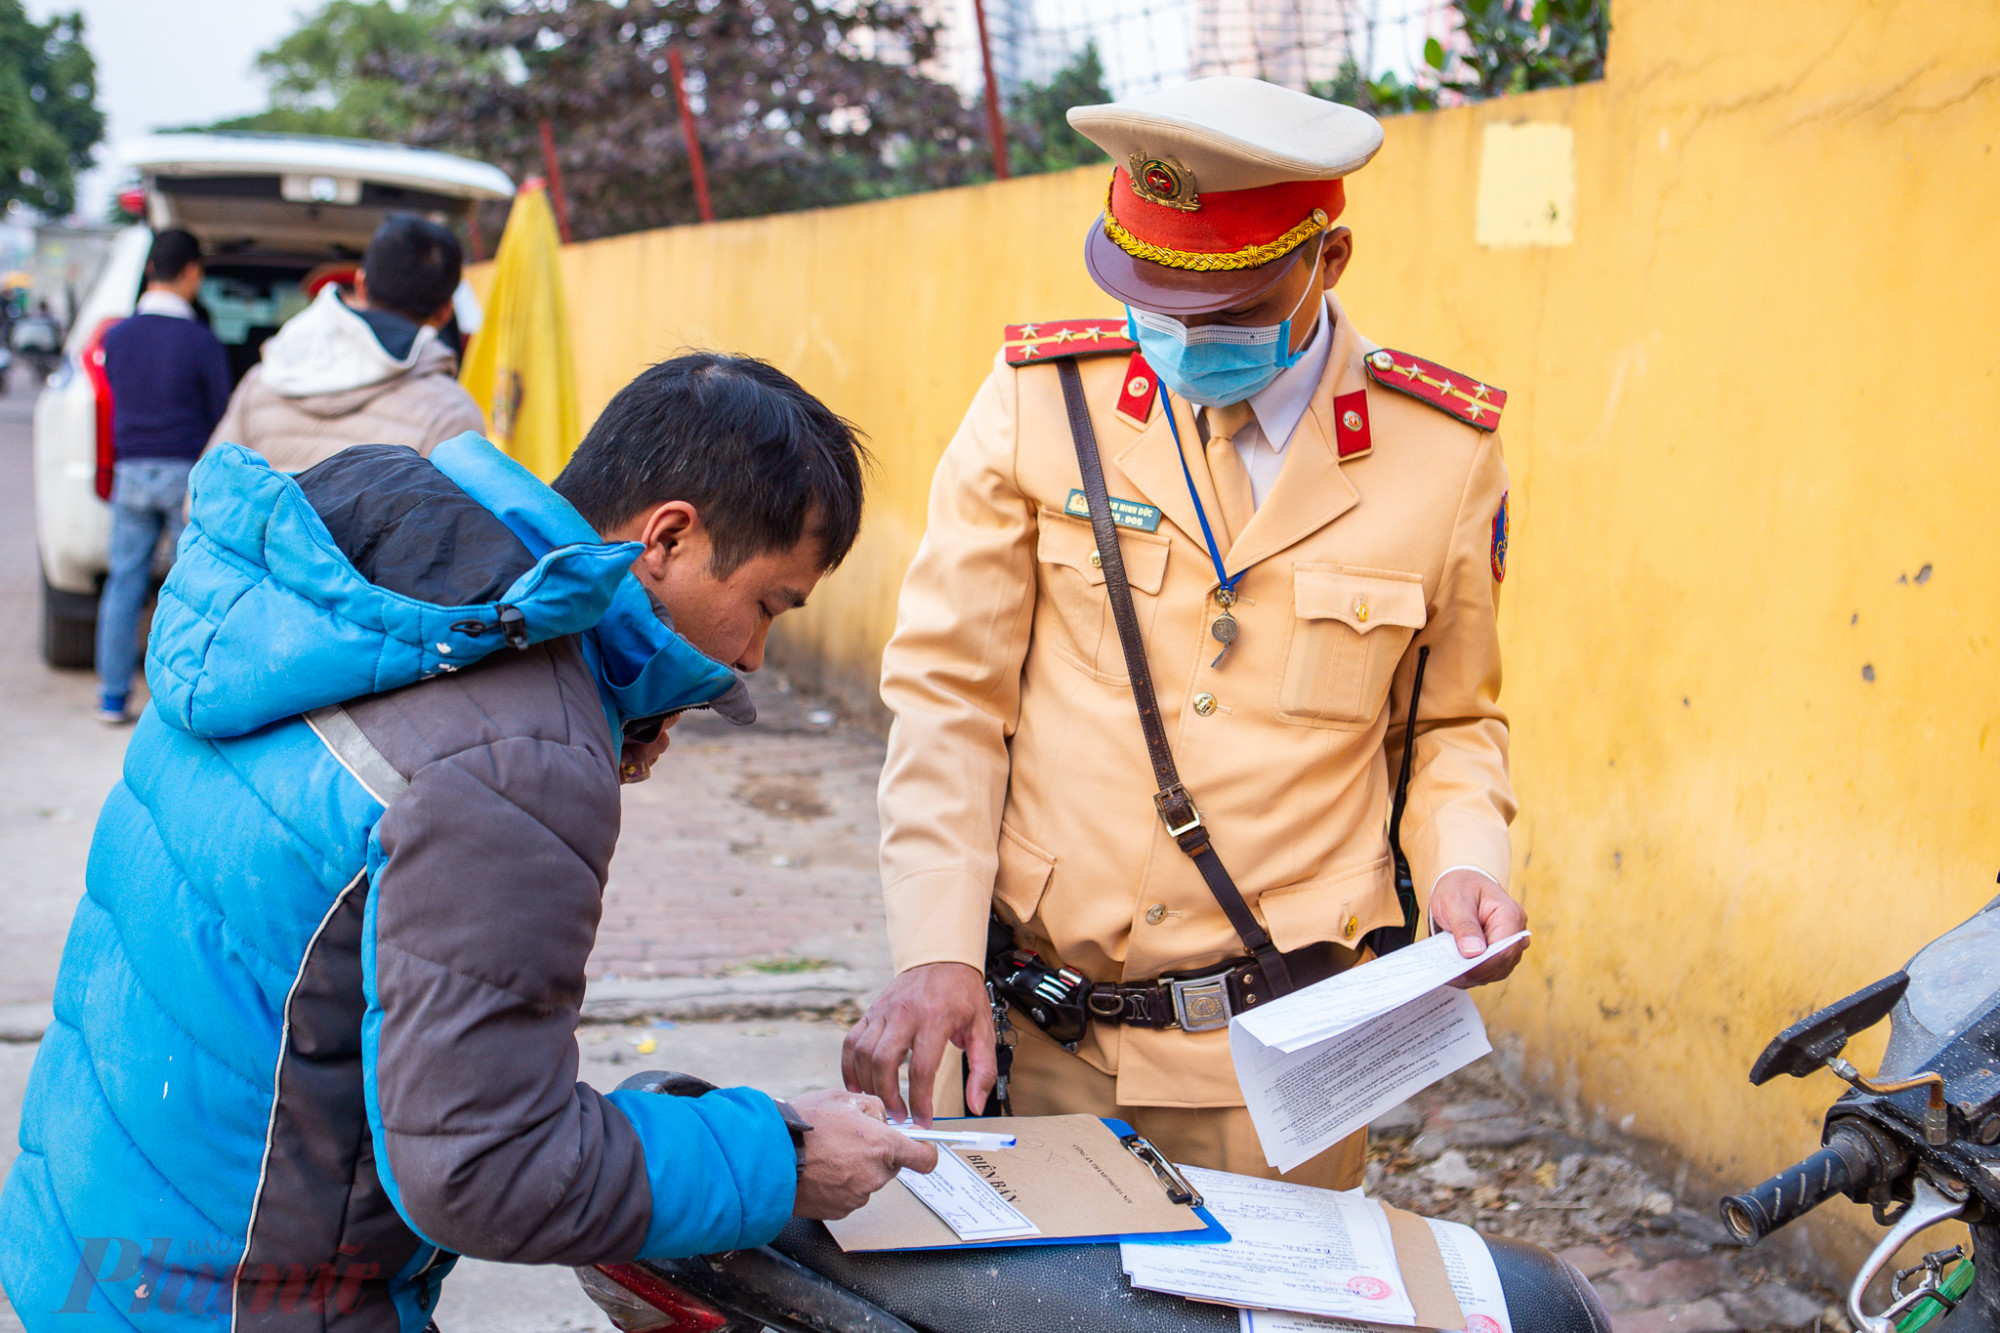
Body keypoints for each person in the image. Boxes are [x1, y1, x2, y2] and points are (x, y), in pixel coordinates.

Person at [0, 354, 934, 1329]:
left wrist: (595, 708)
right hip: (246, 1296)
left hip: (95, 1243)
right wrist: (778, 1157)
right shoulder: (517, 745)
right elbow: (485, 1163)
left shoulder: (364, 599)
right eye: (769, 605)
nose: (751, 655)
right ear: (666, 536)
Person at [843, 77, 1527, 1188]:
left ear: (1328, 260)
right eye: (1151, 302)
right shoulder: (1038, 405)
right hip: (1042, 1036)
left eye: (1226, 309)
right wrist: (935, 951)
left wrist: (1464, 866)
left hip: (1282, 1058)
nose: (1180, 337)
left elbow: (1451, 721)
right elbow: (948, 698)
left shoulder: (1440, 458)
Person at [209, 213, 485, 472]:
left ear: (361, 285)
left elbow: (201, 502)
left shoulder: (264, 379)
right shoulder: (454, 414)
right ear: (445, 311)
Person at [94, 228, 231, 723]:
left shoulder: (117, 336)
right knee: (186, 590)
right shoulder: (200, 341)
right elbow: (222, 412)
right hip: (184, 475)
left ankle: (111, 697)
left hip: (131, 470)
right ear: (193, 271)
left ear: (151, 269)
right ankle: (170, 705)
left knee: (123, 584)